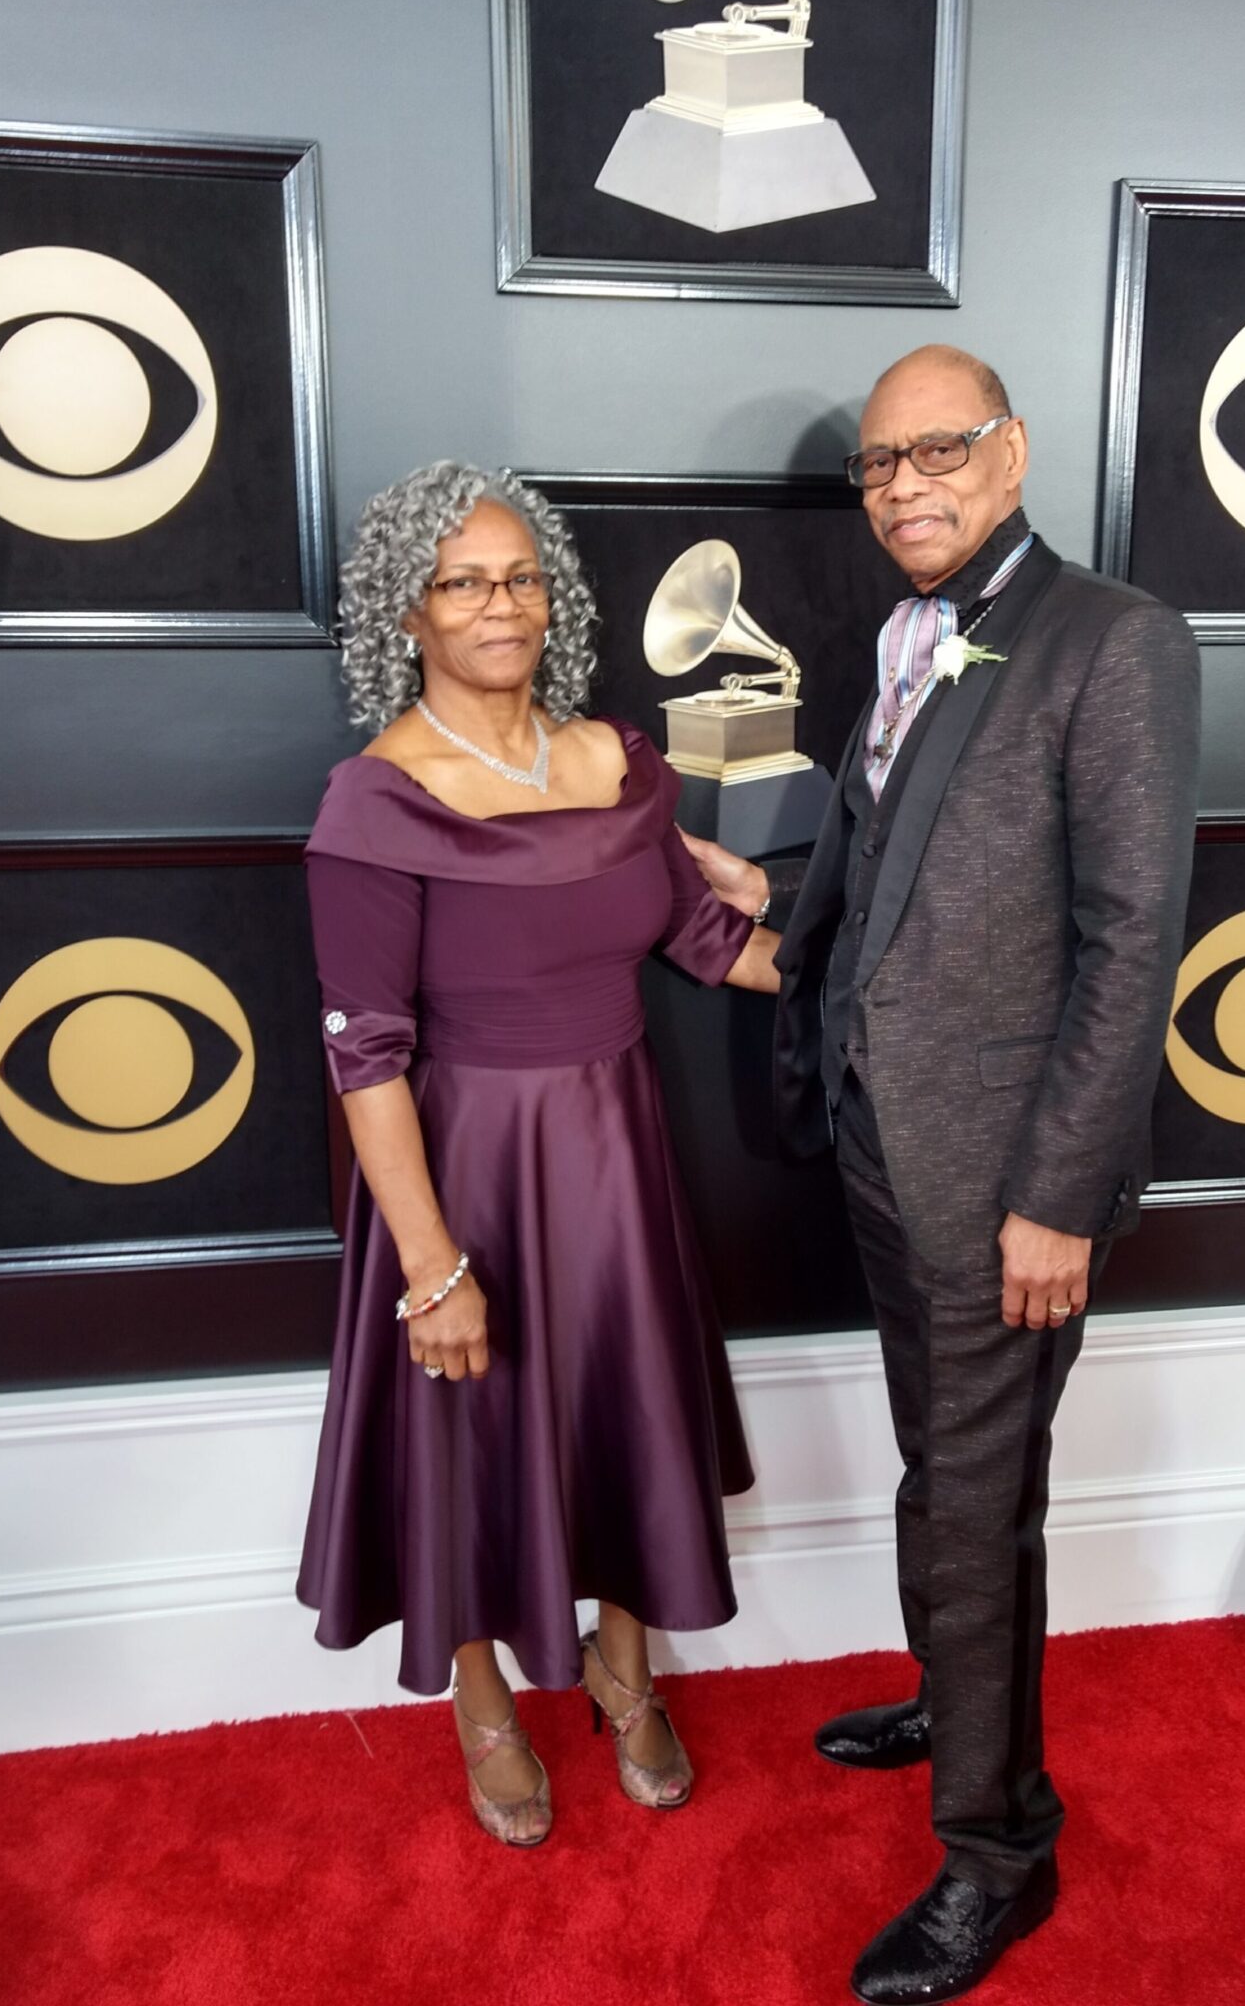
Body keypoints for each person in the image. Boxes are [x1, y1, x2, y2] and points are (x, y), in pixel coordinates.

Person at [685, 345, 1201, 2002]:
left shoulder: (1115, 640)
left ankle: (1000, 1850)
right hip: (886, 1143)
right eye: (881, 466)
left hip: (1007, 1185)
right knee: (953, 1476)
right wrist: (743, 889)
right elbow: (892, 869)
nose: (906, 485)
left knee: (973, 1498)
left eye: (941, 452)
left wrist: (1057, 1194)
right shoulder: (915, 635)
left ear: (1014, 451)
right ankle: (955, 1691)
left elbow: (1133, 948)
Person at [296, 462, 780, 1848]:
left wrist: (880, 972)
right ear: (410, 616)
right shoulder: (373, 804)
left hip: (618, 1161)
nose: (496, 603)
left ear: (549, 596)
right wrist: (435, 1270)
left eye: (518, 576)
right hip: (463, 1176)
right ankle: (483, 1700)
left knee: (628, 1411)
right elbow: (365, 1055)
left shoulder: (621, 762)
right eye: (460, 582)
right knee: (469, 1433)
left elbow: (709, 943)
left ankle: (628, 1672)